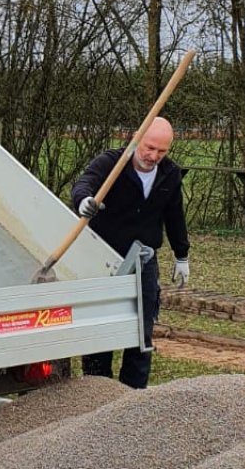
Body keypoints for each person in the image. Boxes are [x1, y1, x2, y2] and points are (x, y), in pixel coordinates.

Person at [71, 117, 190, 389]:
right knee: (102, 326)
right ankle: (97, 390)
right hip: (104, 258)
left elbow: (174, 216)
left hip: (144, 259)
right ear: (137, 138)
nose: (153, 156)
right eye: (149, 148)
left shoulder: (169, 174)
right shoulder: (111, 163)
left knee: (141, 330)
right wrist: (84, 202)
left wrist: (181, 255)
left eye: (162, 151)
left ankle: (133, 394)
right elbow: (84, 184)